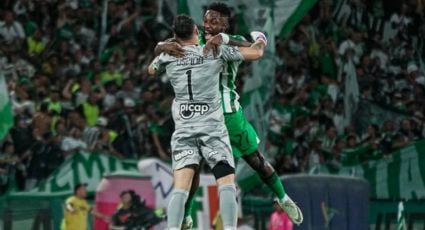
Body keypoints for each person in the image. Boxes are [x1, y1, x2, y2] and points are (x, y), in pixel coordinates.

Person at [154, 2, 303, 228]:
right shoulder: (192, 40)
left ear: (225, 24)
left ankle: (283, 198)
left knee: (255, 160)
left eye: (215, 21)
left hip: (230, 115)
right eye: (205, 20)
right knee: (193, 169)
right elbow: (164, 50)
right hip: (201, 117)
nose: (208, 25)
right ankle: (187, 215)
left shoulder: (228, 41)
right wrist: (161, 47)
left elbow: (254, 47)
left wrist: (224, 39)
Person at [148, 14, 266, 230]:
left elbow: (151, 70)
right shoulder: (214, 51)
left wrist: (163, 48)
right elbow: (256, 52)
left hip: (184, 130)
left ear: (175, 36)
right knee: (226, 183)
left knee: (180, 188)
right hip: (212, 130)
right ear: (196, 32)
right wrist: (260, 39)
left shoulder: (168, 55)